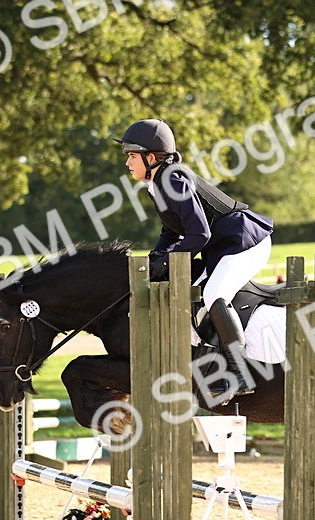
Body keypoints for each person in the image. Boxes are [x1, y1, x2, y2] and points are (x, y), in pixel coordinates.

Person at [115, 119, 275, 406]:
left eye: (132, 155)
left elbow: (200, 234)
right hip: (223, 247)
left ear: (151, 158)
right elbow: (171, 231)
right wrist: (154, 260)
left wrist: (166, 262)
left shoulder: (172, 181)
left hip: (246, 242)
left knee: (214, 294)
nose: (127, 162)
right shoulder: (157, 184)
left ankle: (239, 371)